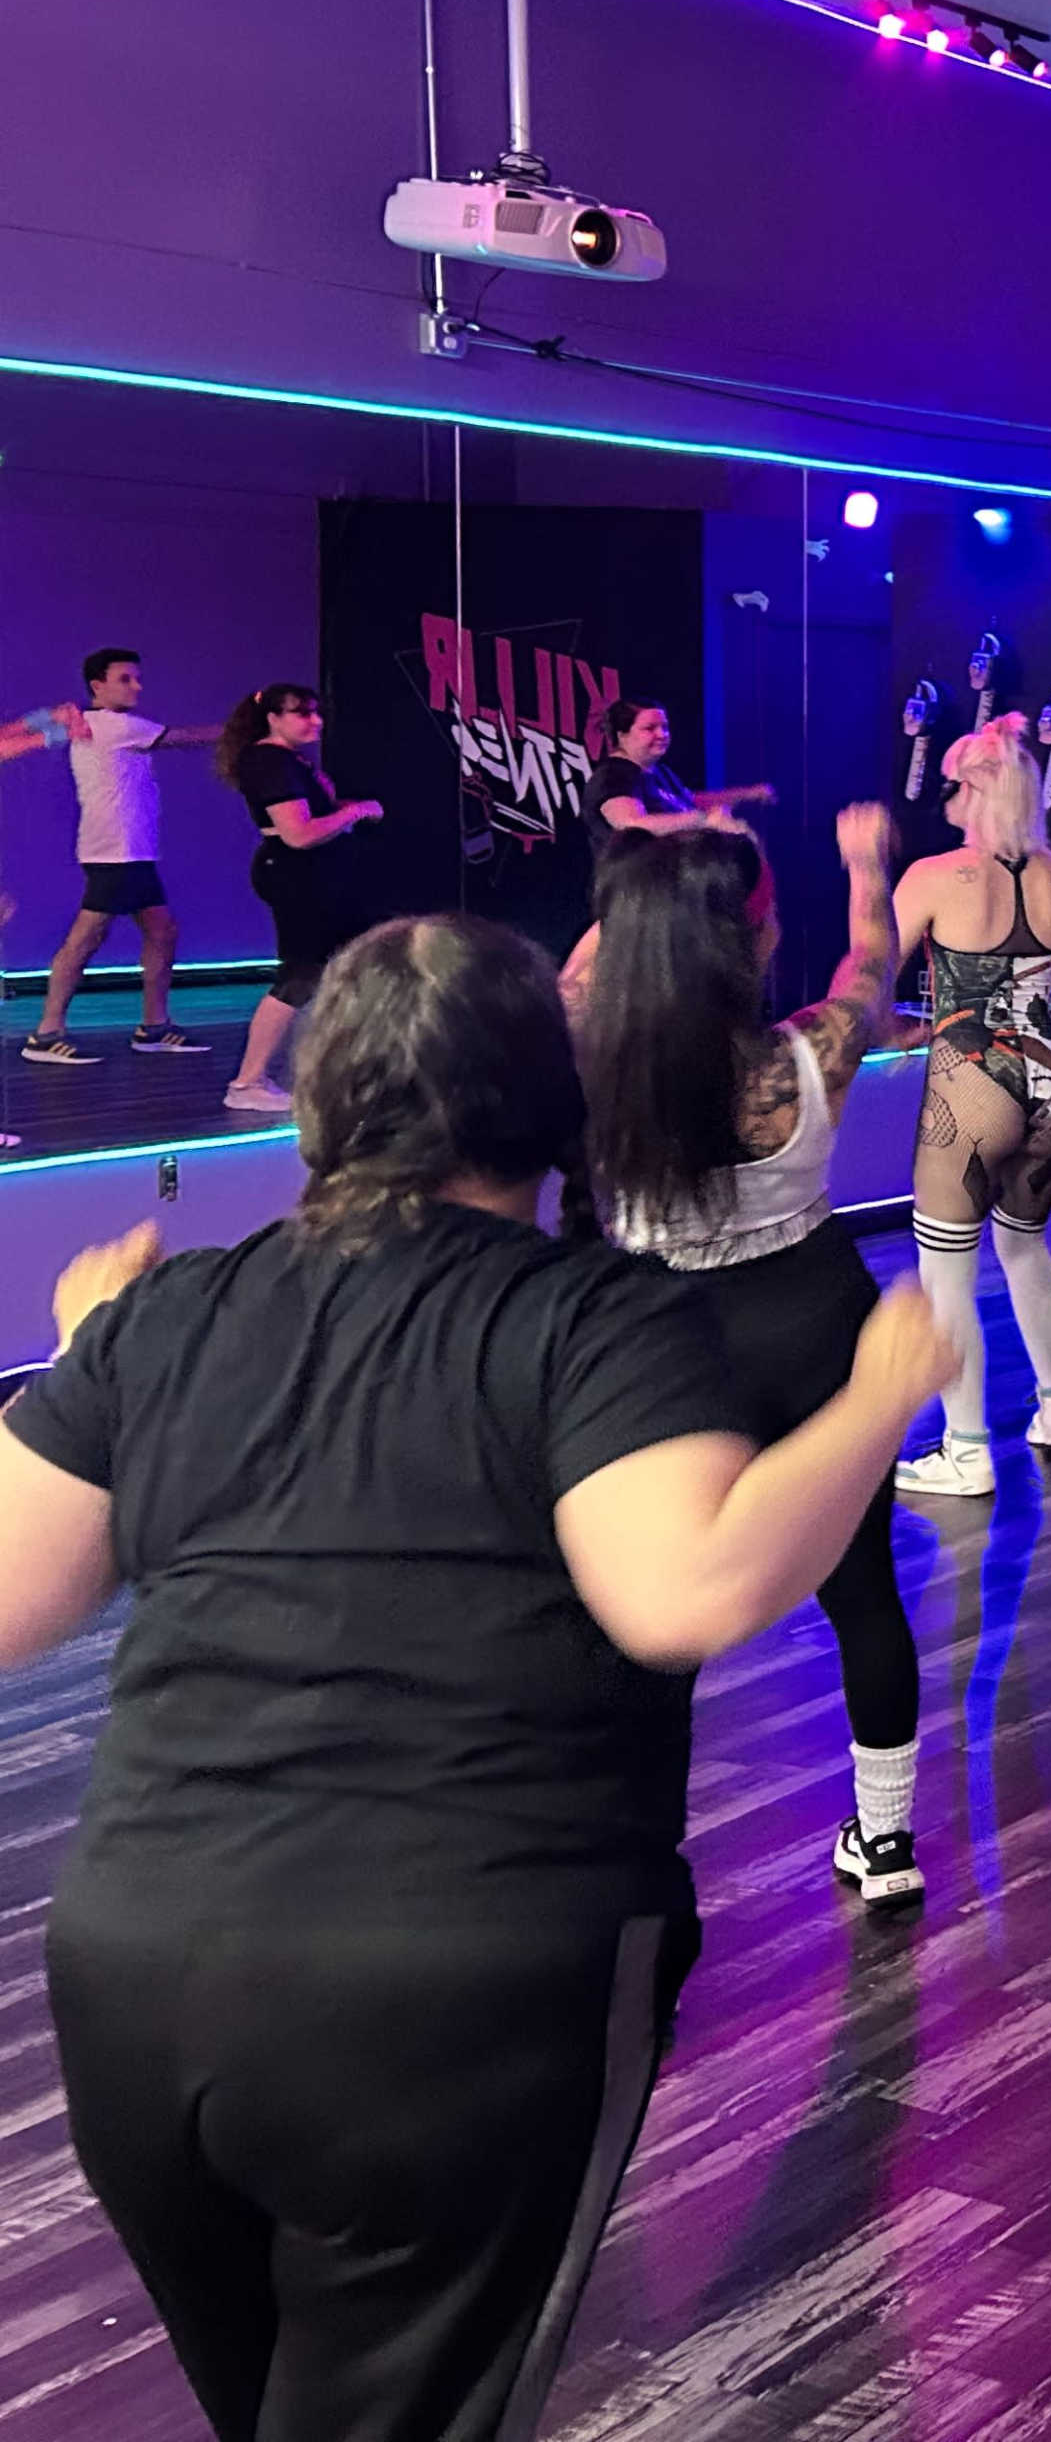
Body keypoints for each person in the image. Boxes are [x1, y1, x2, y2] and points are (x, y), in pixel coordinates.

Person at [0, 914, 953, 2442]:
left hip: (142, 1982)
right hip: (451, 2003)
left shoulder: (162, 1317)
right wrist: (876, 1400)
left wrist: (81, 1365)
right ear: (554, 1108)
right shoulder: (596, 1316)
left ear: (319, 1102)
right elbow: (686, 1590)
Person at [571, 805, 933, 1902]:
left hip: (656, 1340)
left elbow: (587, 964)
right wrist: (866, 862)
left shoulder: (583, 1046)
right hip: (814, 1318)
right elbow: (876, 952)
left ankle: (638, 1877)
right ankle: (885, 1846)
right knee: (862, 1589)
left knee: (650, 1618)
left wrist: (647, 880)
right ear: (757, 941)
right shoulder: (812, 1048)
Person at [888, 714, 1051, 1497]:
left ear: (976, 790)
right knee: (1026, 1247)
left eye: (956, 783)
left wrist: (899, 1028)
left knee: (946, 1272)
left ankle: (966, 1450)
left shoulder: (934, 876)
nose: (946, 796)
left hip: (970, 1081)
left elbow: (868, 973)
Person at [25, 649, 222, 1066]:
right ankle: (46, 1033)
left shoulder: (98, 724)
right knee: (85, 939)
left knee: (162, 930)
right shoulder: (114, 725)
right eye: (126, 679)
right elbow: (188, 737)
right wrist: (250, 728)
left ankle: (154, 1027)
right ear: (98, 686)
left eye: (137, 678)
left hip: (132, 852)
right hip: (114, 853)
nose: (137, 686)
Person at [215, 682, 383, 1118]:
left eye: (315, 712)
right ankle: (247, 1081)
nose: (314, 721)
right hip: (299, 880)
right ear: (273, 717)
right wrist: (355, 811)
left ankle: (356, 1070)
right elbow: (298, 833)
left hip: (322, 878)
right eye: (301, 713)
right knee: (300, 975)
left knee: (356, 966)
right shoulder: (268, 761)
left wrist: (342, 810)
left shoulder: (287, 760)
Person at [586, 699, 769, 844]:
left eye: (664, 727)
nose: (662, 734)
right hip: (635, 887)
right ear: (622, 735)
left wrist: (747, 794)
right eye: (650, 728)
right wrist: (703, 820)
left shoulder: (660, 772)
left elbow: (691, 801)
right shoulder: (612, 775)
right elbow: (631, 824)